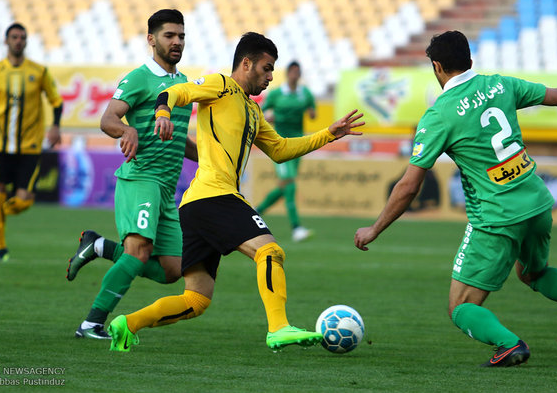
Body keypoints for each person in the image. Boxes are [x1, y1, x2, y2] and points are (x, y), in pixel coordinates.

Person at [106, 32, 364, 352]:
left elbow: (280, 149)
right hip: (215, 195)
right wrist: (162, 112)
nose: (270, 77)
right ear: (246, 63)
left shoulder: (253, 110)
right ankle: (278, 327)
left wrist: (328, 134)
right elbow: (175, 92)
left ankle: (127, 324)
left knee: (196, 299)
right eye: (267, 69)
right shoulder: (220, 85)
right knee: (270, 252)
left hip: (196, 205)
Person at [354, 31, 557, 367]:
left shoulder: (440, 114)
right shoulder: (501, 84)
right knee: (533, 273)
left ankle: (509, 345)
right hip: (538, 202)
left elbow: (409, 186)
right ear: (470, 60)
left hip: (497, 216)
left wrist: (375, 228)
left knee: (460, 306)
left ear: (437, 66)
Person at [65, 9, 197, 340]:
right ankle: (92, 323)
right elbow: (107, 119)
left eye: (181, 36)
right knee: (138, 251)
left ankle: (98, 246)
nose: (177, 42)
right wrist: (127, 130)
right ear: (151, 39)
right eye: (169, 35)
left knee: (172, 269)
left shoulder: (182, 84)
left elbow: (178, 137)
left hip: (167, 189)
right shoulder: (139, 78)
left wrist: (214, 158)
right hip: (142, 179)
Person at [0, 23, 63, 262]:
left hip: (29, 145)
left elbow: (56, 100)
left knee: (24, 201)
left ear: (26, 41)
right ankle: (1, 249)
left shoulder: (39, 71)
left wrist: (55, 126)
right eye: (14, 37)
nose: (18, 41)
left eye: (22, 37)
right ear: (6, 41)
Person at [256, 61, 316, 242]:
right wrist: (269, 117)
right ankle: (296, 228)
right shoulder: (276, 94)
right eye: (293, 72)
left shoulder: (305, 93)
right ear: (288, 73)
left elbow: (313, 112)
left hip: (297, 145)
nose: (295, 75)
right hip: (279, 145)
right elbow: (259, 112)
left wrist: (311, 112)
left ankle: (256, 212)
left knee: (285, 186)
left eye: (298, 72)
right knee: (290, 183)